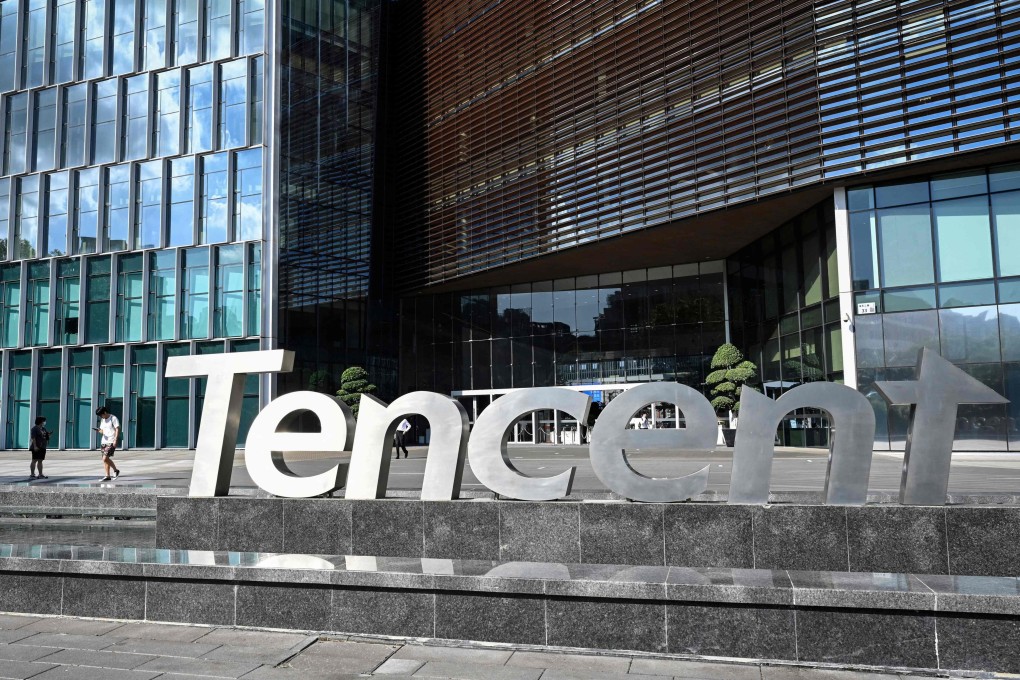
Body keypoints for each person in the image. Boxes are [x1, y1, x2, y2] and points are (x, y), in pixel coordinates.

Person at [92, 407, 122, 481]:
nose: (101, 417)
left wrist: (115, 440)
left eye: (101, 415)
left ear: (105, 412)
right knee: (105, 459)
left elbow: (117, 429)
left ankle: (115, 470)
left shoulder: (113, 418)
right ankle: (107, 476)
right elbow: (103, 431)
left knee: (105, 458)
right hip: (104, 441)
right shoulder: (103, 420)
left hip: (111, 441)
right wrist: (98, 430)